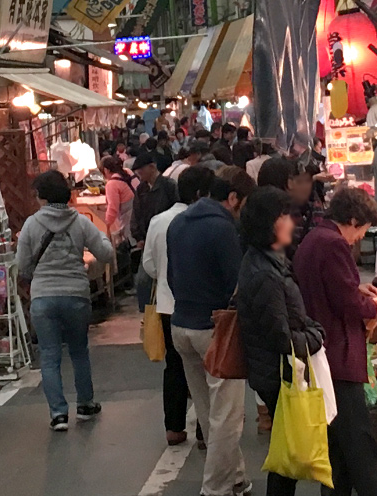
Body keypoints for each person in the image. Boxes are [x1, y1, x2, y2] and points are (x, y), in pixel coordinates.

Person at [294, 188, 377, 496]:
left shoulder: (313, 239)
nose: (358, 238)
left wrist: (356, 288)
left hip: (321, 354)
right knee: (358, 442)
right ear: (352, 221)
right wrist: (374, 307)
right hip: (337, 352)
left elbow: (335, 290)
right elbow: (345, 303)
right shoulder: (334, 244)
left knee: (336, 445)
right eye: (361, 231)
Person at [167, 168, 255, 496]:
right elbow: (237, 284)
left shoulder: (178, 222)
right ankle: (215, 489)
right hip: (215, 329)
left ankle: (235, 478)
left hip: (181, 325)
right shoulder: (223, 228)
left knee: (208, 414)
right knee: (228, 417)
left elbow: (172, 276)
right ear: (233, 198)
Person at [237, 187, 325, 496]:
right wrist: (316, 336)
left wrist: (310, 328)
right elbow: (280, 335)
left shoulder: (270, 261)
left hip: (276, 370)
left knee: (287, 450)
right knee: (288, 453)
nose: (292, 222)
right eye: (284, 216)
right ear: (270, 223)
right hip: (277, 373)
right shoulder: (264, 272)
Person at [16, 170, 114, 431]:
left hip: (43, 298)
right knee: (79, 351)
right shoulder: (80, 222)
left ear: (43, 197)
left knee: (49, 355)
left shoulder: (31, 225)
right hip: (75, 295)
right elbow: (105, 252)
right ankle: (85, 404)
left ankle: (58, 414)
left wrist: (33, 277)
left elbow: (22, 265)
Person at [143, 166, 215, 446]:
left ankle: (174, 427)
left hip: (167, 304)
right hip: (200, 304)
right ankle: (204, 432)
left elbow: (148, 264)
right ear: (201, 193)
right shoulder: (207, 222)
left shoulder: (159, 221)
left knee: (175, 367)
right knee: (208, 370)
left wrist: (163, 276)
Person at [131, 153, 178, 310]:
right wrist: (138, 235)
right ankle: (148, 314)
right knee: (143, 281)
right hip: (147, 240)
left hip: (167, 238)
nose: (139, 174)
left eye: (141, 170)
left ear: (152, 167)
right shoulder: (141, 189)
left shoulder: (169, 186)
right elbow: (136, 214)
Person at [101, 155, 140, 246]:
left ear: (106, 170)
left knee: (131, 246)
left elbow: (113, 208)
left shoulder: (112, 184)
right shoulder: (128, 172)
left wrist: (107, 226)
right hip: (141, 213)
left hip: (128, 220)